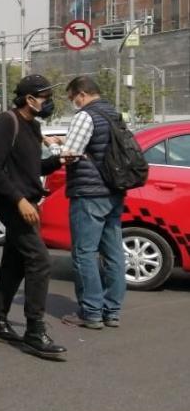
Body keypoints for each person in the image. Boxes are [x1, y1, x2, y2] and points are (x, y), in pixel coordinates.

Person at [0, 74, 71, 361]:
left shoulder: (32, 125)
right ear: (30, 99)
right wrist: (19, 200)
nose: (49, 103)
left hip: (26, 200)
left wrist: (58, 160)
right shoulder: (7, 121)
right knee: (40, 260)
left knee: (14, 263)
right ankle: (34, 332)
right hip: (13, 203)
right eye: (45, 97)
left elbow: (30, 169)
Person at [60, 75, 126, 330]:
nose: (73, 103)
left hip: (89, 193)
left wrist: (56, 147)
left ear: (81, 94)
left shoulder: (85, 116)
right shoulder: (115, 115)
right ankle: (112, 311)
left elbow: (70, 155)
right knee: (113, 252)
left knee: (84, 253)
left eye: (72, 98)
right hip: (115, 190)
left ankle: (91, 312)